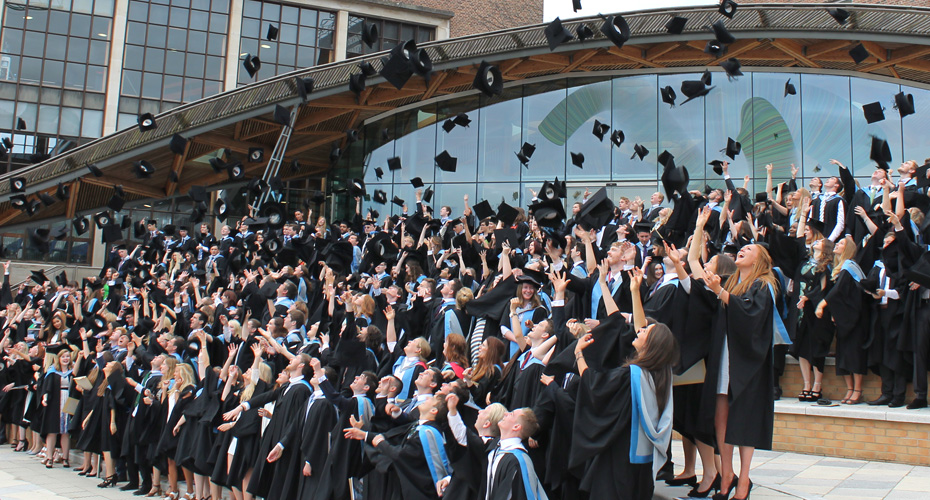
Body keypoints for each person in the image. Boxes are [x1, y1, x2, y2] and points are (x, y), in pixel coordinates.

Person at [704, 244, 778, 500]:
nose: (741, 250)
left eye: (749, 248)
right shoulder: (732, 281)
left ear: (761, 259)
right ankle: (726, 473)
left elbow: (750, 314)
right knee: (720, 416)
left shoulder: (764, 285)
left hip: (748, 361)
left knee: (745, 418)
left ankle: (743, 478)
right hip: (725, 354)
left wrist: (721, 292)